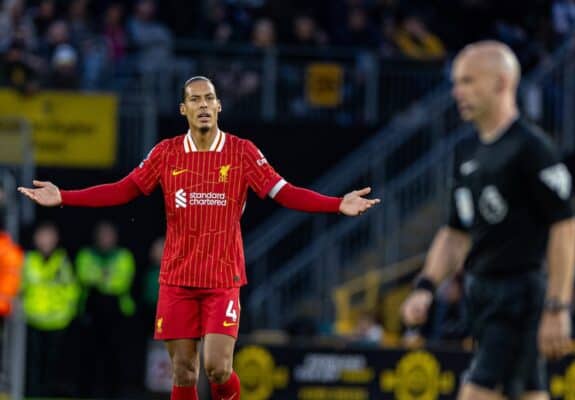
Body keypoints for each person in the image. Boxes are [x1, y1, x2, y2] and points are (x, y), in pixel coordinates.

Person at [18, 75, 380, 400]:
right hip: (177, 278)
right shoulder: (166, 153)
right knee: (183, 371)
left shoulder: (242, 152)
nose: (203, 105)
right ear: (183, 108)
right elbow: (123, 190)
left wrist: (336, 204)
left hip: (222, 278)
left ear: (219, 105)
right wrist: (64, 195)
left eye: (209, 98)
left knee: (217, 368)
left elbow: (284, 192)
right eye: (195, 99)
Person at [401, 41, 575, 400]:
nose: (457, 92)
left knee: (479, 391)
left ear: (501, 83)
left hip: (518, 294)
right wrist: (425, 286)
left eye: (468, 81)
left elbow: (566, 224)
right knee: (528, 392)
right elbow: (455, 231)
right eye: (456, 82)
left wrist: (557, 306)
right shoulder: (469, 153)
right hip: (482, 295)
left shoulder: (531, 148)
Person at [74, 220, 136, 397]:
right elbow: (84, 276)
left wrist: (100, 278)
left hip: (116, 313)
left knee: (114, 358)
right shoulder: (86, 254)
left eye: (109, 235)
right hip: (91, 311)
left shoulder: (124, 256)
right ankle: (85, 393)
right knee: (88, 357)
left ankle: (113, 394)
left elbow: (121, 283)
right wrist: (106, 277)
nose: (105, 239)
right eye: (102, 234)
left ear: (115, 237)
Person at [22, 221, 79, 396]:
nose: (45, 241)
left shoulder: (63, 261)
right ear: (35, 238)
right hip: (32, 319)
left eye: (49, 236)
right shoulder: (28, 260)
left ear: (56, 239)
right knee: (32, 363)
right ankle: (32, 393)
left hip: (58, 322)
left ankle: (50, 393)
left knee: (54, 364)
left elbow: (72, 290)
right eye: (42, 236)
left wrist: (67, 313)